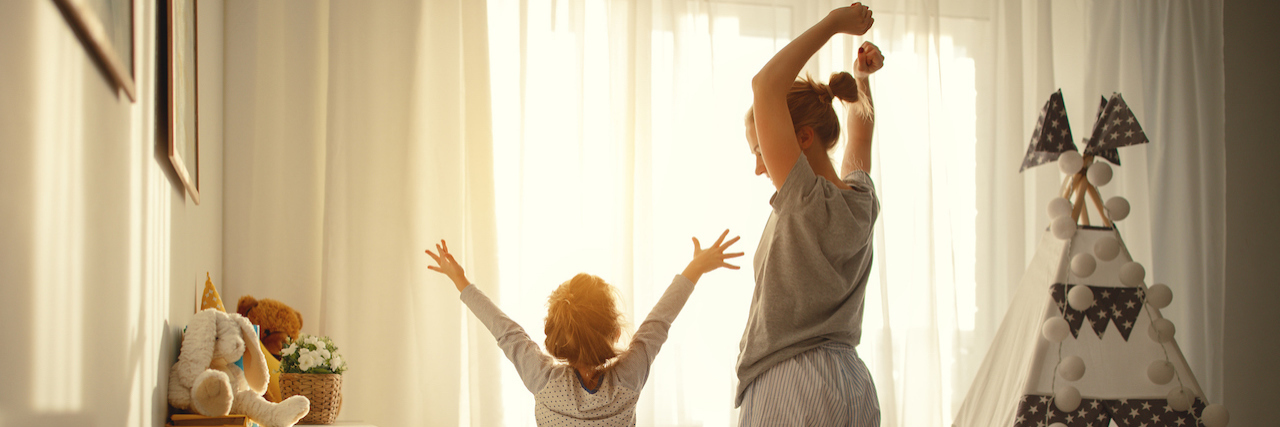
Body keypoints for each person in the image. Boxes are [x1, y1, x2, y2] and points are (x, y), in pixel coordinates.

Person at [735, 3, 885, 426]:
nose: (760, 167)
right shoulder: (862, 198)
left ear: (802, 138)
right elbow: (861, 133)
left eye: (761, 151)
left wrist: (835, 24)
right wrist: (861, 81)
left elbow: (765, 85)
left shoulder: (802, 196)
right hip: (852, 384)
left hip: (793, 383)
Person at [425, 231, 743, 426]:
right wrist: (695, 267)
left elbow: (505, 331)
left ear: (557, 337)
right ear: (615, 332)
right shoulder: (628, 378)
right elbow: (660, 320)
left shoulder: (543, 381)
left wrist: (460, 280)